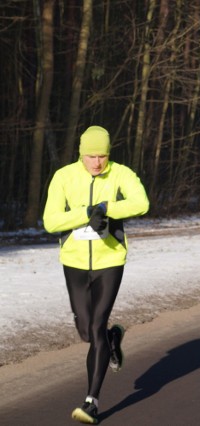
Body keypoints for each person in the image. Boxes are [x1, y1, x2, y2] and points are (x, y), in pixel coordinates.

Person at [42, 126, 149, 424]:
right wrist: (86, 212)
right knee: (88, 331)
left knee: (97, 323)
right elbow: (50, 221)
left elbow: (141, 203)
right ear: (81, 153)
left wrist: (106, 208)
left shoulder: (120, 173)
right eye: (91, 156)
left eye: (102, 155)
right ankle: (113, 339)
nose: (97, 162)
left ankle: (92, 401)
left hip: (110, 261)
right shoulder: (64, 176)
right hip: (74, 261)